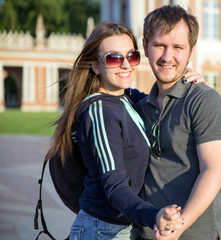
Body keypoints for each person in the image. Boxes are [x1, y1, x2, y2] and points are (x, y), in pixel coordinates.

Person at [44, 21, 187, 240]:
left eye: (132, 56)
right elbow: (115, 188)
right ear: (95, 65)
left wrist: (188, 82)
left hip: (118, 227)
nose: (126, 65)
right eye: (114, 58)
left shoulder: (125, 97)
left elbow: (160, 96)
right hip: (102, 230)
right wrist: (154, 215)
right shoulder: (100, 112)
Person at [135, 4, 221, 240]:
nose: (168, 56)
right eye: (159, 45)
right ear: (145, 46)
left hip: (196, 234)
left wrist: (179, 225)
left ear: (191, 51)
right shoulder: (139, 106)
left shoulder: (205, 101)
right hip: (147, 233)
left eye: (178, 47)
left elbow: (213, 171)